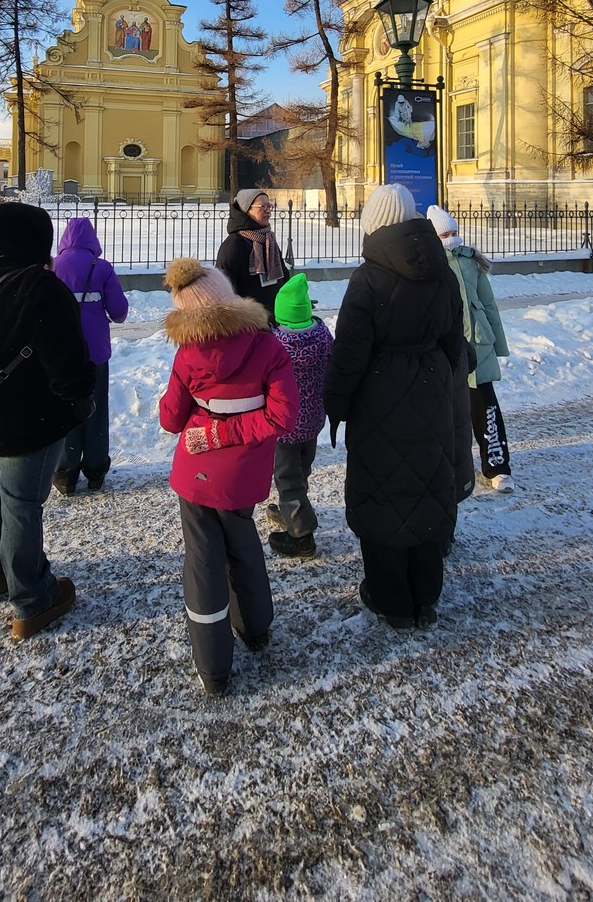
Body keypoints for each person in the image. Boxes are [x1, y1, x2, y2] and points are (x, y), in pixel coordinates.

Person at [323, 184, 463, 630]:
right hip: (431, 387)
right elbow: (453, 337)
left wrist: (336, 407)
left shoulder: (368, 277)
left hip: (378, 396)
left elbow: (350, 354)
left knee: (382, 494)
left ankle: (391, 600)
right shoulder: (441, 270)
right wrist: (437, 378)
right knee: (426, 486)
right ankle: (425, 599)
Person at [159, 258, 299, 697]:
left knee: (202, 562)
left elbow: (170, 418)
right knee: (243, 543)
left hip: (196, 470)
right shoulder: (268, 347)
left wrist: (214, 428)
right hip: (242, 474)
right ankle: (255, 629)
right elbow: (283, 415)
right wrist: (236, 428)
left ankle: (214, 668)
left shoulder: (187, 354)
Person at [0, 202, 95, 641]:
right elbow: (68, 363)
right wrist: (80, 400)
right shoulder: (42, 287)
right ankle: (32, 599)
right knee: (20, 503)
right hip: (30, 420)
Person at [427, 205, 514, 492]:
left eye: (454, 232)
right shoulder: (429, 263)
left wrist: (498, 344)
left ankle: (498, 466)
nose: (452, 238)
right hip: (448, 350)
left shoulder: (470, 261)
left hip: (479, 345)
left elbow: (488, 305)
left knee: (486, 408)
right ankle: (449, 467)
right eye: (444, 234)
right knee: (448, 414)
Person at [51, 216, 129, 495]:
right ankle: (95, 469)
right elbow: (119, 312)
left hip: (60, 351)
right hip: (95, 351)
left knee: (63, 407)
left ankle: (65, 472)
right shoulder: (102, 267)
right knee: (95, 408)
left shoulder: (52, 266)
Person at [265, 271, 333, 559]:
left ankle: (301, 537)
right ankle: (288, 509)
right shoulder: (322, 336)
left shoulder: (275, 345)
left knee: (286, 477)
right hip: (314, 420)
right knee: (300, 469)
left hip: (284, 426)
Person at [215, 189, 289, 320]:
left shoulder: (268, 239)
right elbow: (224, 288)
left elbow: (283, 276)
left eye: (269, 206)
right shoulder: (233, 244)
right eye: (263, 206)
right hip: (249, 322)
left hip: (278, 317)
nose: (268, 211)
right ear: (247, 210)